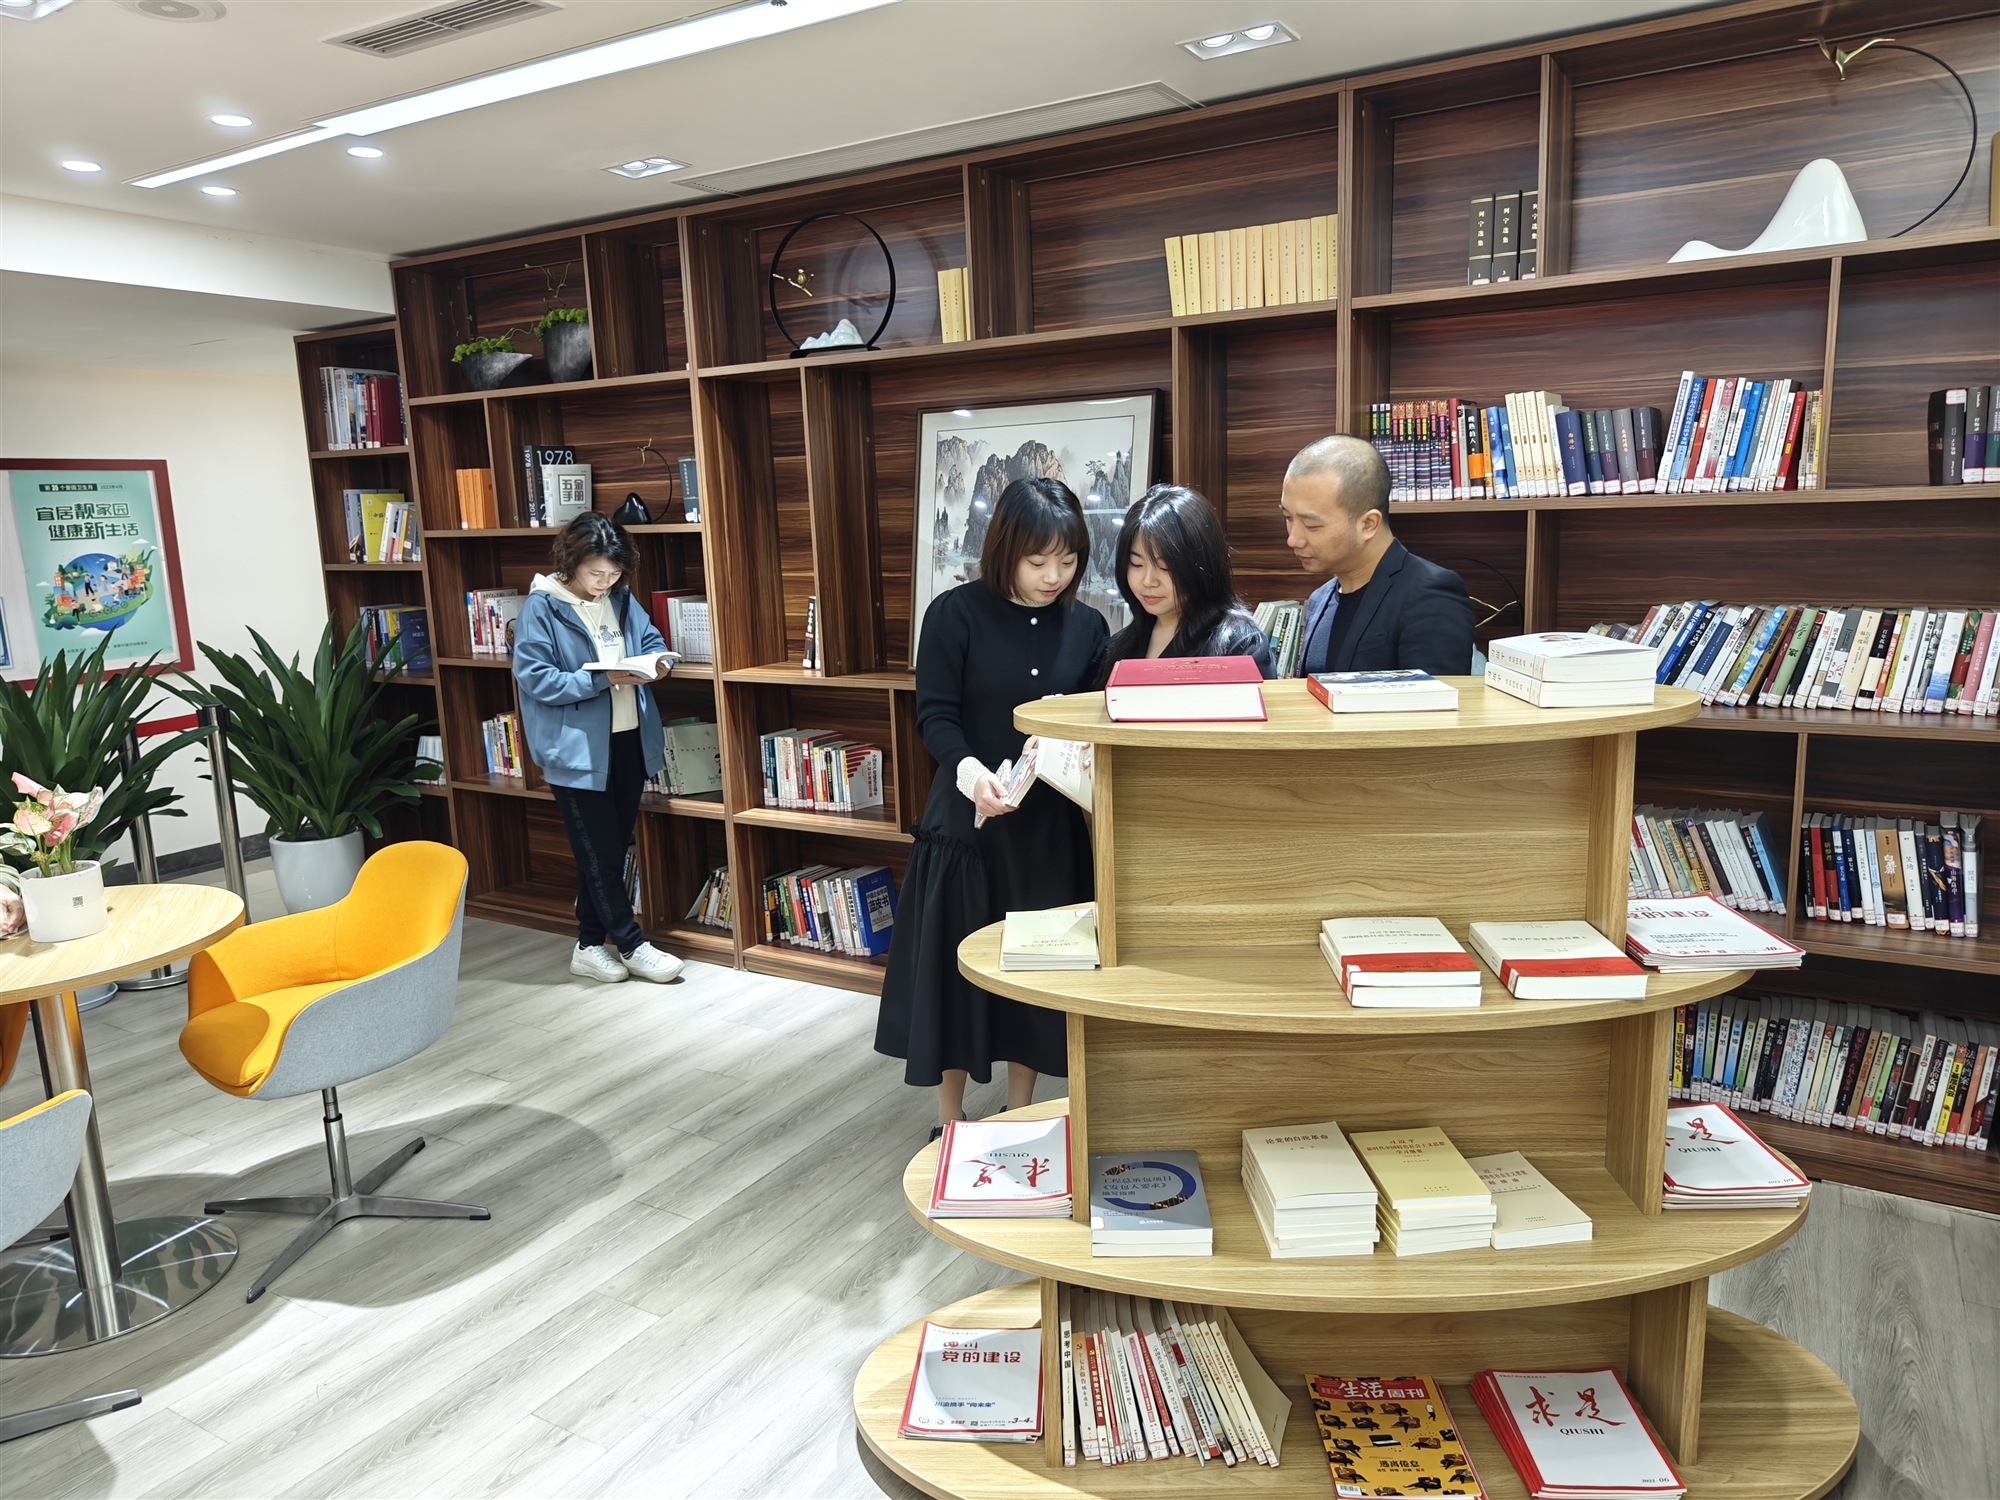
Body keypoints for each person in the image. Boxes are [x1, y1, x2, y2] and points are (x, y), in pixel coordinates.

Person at [876, 477, 1109, 1138]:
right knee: (954, 975)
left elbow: (1090, 724)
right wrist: (971, 771)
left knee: (1034, 972)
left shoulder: (1089, 626)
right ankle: (948, 1118)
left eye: (1067, 561)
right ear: (1004, 549)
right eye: (1038, 561)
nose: (1053, 577)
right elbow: (935, 715)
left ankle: (1020, 1107)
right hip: (967, 827)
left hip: (1048, 831)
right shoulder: (954, 615)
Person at [512, 512, 685, 985]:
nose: (605, 583)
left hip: (628, 740)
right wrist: (603, 678)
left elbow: (650, 639)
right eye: (596, 573)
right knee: (600, 854)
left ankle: (589, 946)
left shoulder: (621, 598)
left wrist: (658, 662)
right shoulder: (542, 608)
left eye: (614, 573)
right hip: (576, 751)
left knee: (606, 852)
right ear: (571, 562)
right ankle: (631, 944)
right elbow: (537, 679)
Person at [1280, 434, 1476, 677]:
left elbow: (1437, 698)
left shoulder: (1430, 595)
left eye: (1312, 525)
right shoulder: (1319, 600)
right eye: (1288, 518)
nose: (1293, 539)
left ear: (1368, 524)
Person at [1092, 484, 1274, 684]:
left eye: (1165, 567)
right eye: (1136, 564)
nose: (1148, 581)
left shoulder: (1240, 646)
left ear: (1200, 565)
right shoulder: (1120, 646)